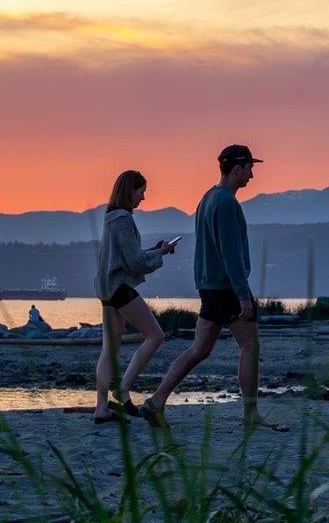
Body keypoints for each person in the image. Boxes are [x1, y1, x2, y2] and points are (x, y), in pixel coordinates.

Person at [141, 145, 287, 432]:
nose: (252, 175)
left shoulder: (208, 198)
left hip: (209, 286)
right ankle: (251, 414)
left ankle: (156, 401)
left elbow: (206, 247)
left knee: (199, 349)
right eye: (250, 169)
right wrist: (243, 294)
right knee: (250, 346)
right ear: (237, 169)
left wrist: (203, 282)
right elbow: (230, 253)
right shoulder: (226, 203)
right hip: (227, 287)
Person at [92, 169, 174, 424]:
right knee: (155, 335)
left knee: (110, 348)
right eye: (141, 192)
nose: (143, 197)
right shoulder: (123, 219)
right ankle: (123, 388)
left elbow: (127, 257)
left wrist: (154, 251)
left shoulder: (110, 217)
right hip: (120, 288)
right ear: (130, 190)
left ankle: (101, 408)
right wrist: (160, 253)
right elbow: (136, 263)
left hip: (107, 288)